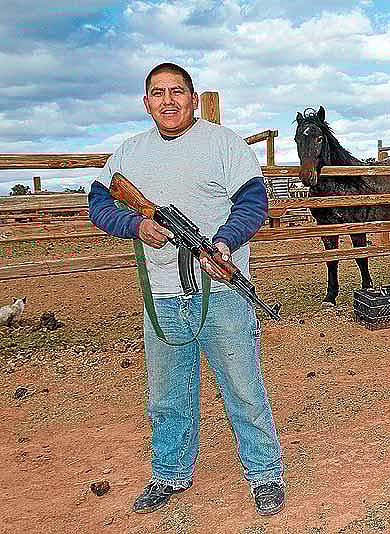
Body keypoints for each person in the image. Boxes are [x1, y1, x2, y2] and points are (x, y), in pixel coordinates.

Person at [88, 62, 284, 516]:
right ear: (146, 103)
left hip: (223, 293)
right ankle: (170, 473)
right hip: (160, 295)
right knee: (167, 392)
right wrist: (136, 223)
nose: (169, 100)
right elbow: (99, 201)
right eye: (158, 93)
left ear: (194, 99)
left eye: (178, 91)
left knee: (242, 386)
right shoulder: (129, 152)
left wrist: (223, 243)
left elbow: (254, 201)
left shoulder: (224, 144)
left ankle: (264, 473)